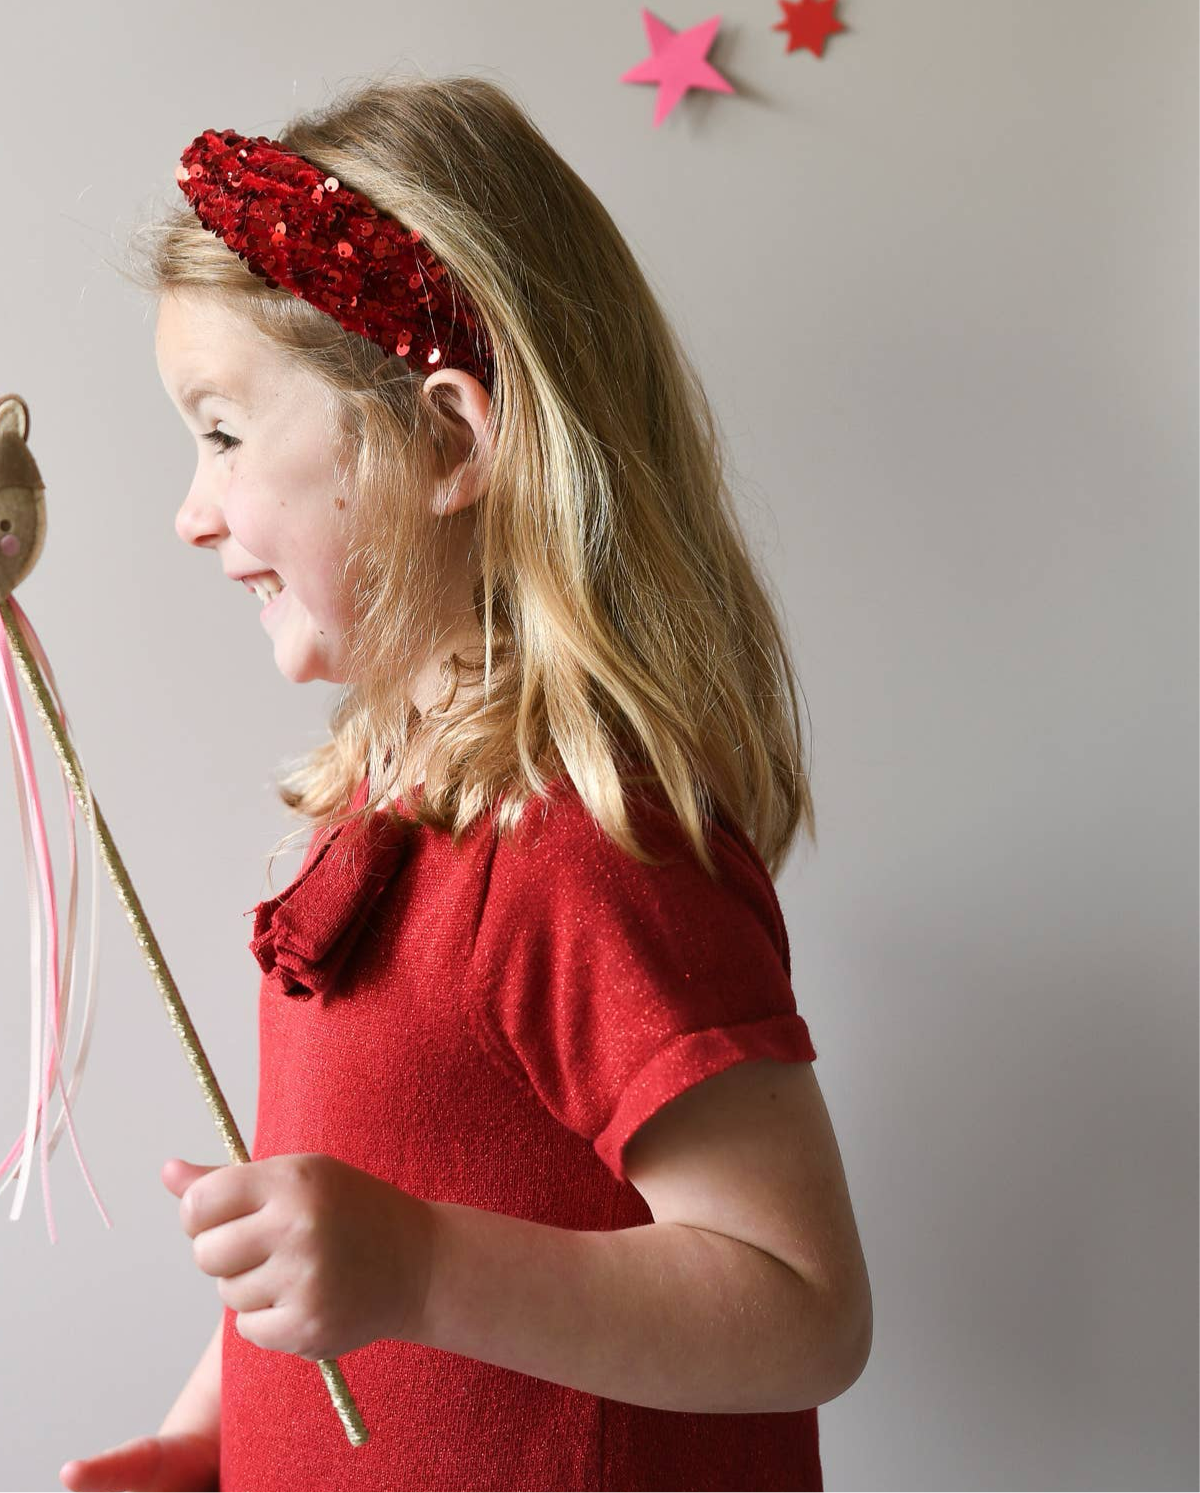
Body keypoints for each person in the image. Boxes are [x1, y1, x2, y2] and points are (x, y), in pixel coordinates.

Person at [59, 72, 871, 1493]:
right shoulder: (394, 810)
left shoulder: (582, 847)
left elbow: (803, 1306)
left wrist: (421, 1267)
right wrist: (213, 1430)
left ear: (445, 441)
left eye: (225, 434)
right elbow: (337, 1208)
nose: (191, 513)